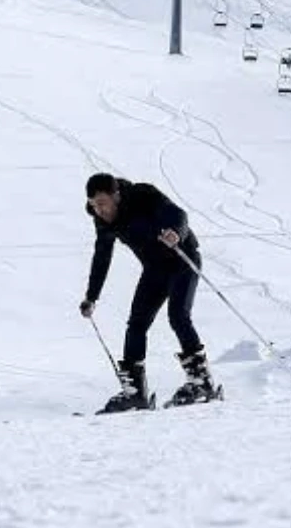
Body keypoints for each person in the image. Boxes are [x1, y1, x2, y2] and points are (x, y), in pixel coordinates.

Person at [80, 173, 217, 412]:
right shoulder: (103, 221)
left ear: (116, 196)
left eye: (102, 203)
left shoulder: (142, 195)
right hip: (155, 269)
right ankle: (135, 395)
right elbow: (102, 256)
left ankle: (202, 384)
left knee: (178, 316)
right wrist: (91, 297)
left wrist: (175, 232)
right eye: (94, 205)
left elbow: (178, 215)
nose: (99, 210)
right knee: (137, 324)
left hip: (182, 259)